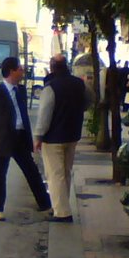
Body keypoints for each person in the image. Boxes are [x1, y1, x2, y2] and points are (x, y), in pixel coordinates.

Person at [0, 56, 51, 221]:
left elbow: (24, 115)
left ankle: (45, 203)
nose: (22, 72)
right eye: (20, 69)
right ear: (11, 71)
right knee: (0, 173)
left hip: (20, 137)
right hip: (4, 138)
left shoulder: (20, 91)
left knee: (31, 170)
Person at [33, 55, 90, 222]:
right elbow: (89, 100)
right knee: (65, 172)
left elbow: (45, 114)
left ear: (52, 67)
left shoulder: (51, 87)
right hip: (72, 134)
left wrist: (38, 136)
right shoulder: (79, 84)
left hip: (53, 137)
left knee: (55, 174)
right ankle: (60, 205)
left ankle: (62, 212)